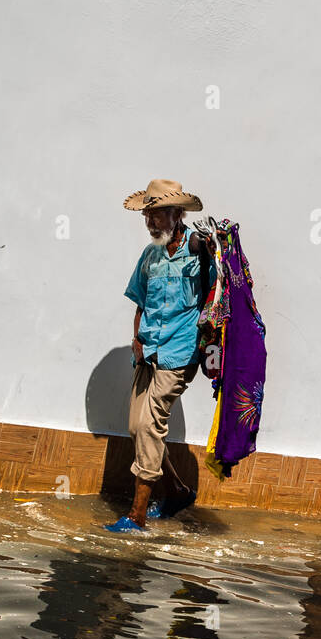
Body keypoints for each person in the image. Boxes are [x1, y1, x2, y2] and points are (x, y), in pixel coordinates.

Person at [104, 179, 216, 533]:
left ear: (178, 214)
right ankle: (179, 491)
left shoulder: (199, 252)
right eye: (147, 216)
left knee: (150, 426)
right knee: (137, 428)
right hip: (148, 349)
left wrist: (213, 250)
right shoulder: (150, 255)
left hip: (181, 353)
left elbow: (218, 295)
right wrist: (136, 338)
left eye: (157, 215)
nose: (151, 223)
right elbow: (139, 299)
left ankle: (137, 515)